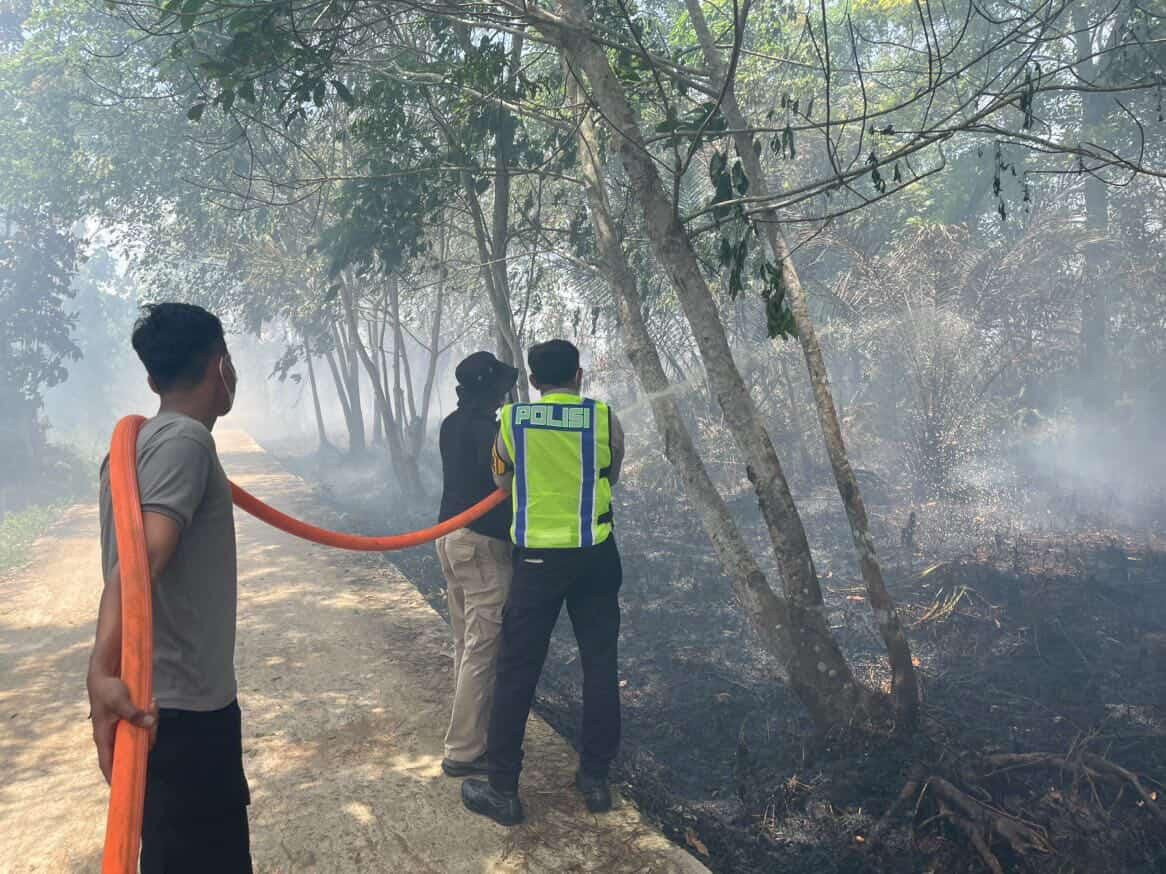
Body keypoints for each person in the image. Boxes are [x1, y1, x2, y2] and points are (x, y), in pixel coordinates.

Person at [87, 302, 251, 873]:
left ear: (153, 379)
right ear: (222, 366)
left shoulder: (133, 446)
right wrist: (99, 672)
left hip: (164, 706)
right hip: (184, 716)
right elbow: (141, 559)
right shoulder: (185, 441)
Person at [462, 339, 626, 826]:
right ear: (579, 375)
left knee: (517, 669)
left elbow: (501, 484)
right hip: (596, 555)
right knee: (600, 666)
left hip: (537, 562)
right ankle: (595, 781)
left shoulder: (513, 421)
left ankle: (503, 790)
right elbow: (610, 475)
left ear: (533, 382)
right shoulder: (602, 418)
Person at [435, 350, 520, 777]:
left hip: (449, 540)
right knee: (483, 648)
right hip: (482, 545)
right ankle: (465, 751)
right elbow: (507, 482)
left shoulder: (451, 425)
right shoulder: (493, 431)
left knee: (465, 643)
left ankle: (471, 734)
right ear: (492, 391)